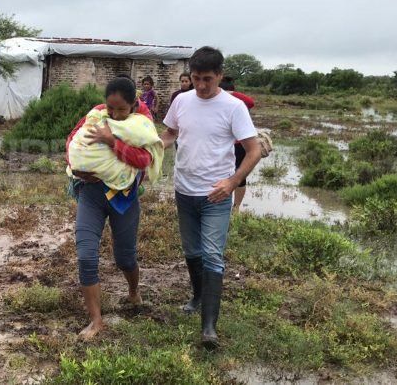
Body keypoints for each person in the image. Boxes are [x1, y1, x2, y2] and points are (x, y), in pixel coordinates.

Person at [160, 47, 261, 349]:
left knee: (212, 254)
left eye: (207, 79)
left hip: (216, 195)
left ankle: (209, 329)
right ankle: (197, 296)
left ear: (219, 75)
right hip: (184, 190)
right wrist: (152, 147)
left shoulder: (233, 107)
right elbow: (169, 134)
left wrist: (232, 182)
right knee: (192, 251)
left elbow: (253, 150)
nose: (201, 85)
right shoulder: (181, 100)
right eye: (195, 78)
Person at [66, 75, 164, 340]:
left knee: (125, 257)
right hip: (91, 193)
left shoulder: (141, 125)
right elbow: (72, 142)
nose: (116, 115)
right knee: (86, 254)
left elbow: (143, 159)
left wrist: (112, 142)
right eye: (111, 109)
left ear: (133, 105)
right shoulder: (96, 116)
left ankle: (133, 292)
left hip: (124, 198)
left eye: (121, 109)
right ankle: (96, 321)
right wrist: (78, 166)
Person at [219, 77, 256, 213]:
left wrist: (230, 93)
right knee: (222, 173)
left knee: (239, 175)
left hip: (239, 143)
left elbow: (251, 102)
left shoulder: (239, 102)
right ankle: (222, 202)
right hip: (223, 143)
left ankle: (236, 207)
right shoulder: (215, 101)